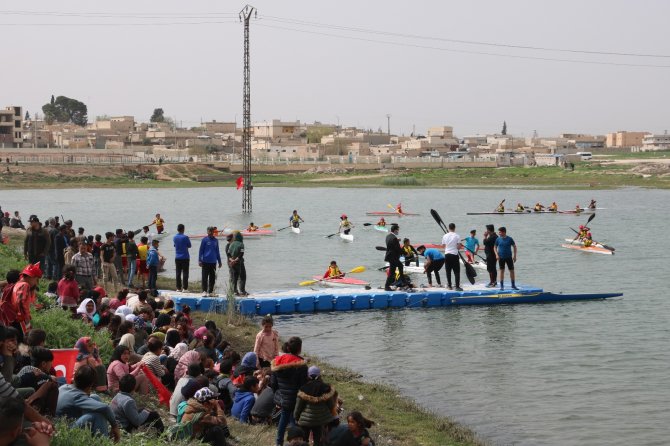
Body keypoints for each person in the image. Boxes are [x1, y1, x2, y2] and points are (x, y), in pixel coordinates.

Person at [56, 365, 121, 441]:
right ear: (90, 385)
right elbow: (105, 408)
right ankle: (103, 441)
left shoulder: (65, 387)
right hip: (65, 429)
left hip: (66, 420)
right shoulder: (77, 397)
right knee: (98, 414)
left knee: (94, 397)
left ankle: (102, 432)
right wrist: (115, 426)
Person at [271, 336, 308, 446]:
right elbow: (303, 385)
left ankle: (279, 442)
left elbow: (273, 383)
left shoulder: (277, 361)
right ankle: (296, 442)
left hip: (283, 397)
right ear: (299, 348)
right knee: (293, 420)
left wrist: (279, 393)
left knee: (284, 418)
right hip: (295, 398)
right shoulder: (301, 364)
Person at [294, 366, 337, 446]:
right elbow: (331, 405)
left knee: (304, 440)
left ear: (308, 376)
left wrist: (296, 417)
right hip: (320, 421)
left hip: (305, 421)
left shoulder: (303, 389)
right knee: (318, 441)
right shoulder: (326, 388)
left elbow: (298, 407)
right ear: (319, 376)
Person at [10, 263, 42, 341]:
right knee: (26, 340)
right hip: (21, 319)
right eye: (36, 280)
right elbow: (20, 302)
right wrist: (26, 318)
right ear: (32, 277)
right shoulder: (25, 285)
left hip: (15, 318)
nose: (36, 283)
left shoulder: (18, 284)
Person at [198, 227, 222, 297]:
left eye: (211, 231)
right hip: (205, 261)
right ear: (207, 232)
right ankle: (204, 291)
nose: (210, 232)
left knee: (212, 278)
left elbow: (217, 251)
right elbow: (201, 251)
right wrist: (199, 260)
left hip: (213, 262)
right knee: (204, 277)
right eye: (209, 231)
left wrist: (219, 261)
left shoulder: (216, 241)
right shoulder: (204, 240)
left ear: (213, 232)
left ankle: (211, 292)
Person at [442, 223, 463, 291]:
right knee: (456, 271)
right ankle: (457, 287)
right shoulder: (457, 236)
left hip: (447, 254)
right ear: (454, 228)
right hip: (454, 255)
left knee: (448, 271)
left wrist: (448, 247)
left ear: (449, 228)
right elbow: (458, 247)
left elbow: (443, 246)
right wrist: (458, 246)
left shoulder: (445, 236)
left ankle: (449, 286)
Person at [383, 224, 403, 291]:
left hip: (390, 256)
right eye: (398, 230)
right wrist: (405, 253)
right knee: (392, 272)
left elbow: (391, 243)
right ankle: (387, 286)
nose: (398, 231)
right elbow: (397, 248)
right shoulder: (394, 238)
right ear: (395, 230)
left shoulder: (388, 236)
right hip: (393, 257)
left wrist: (397, 240)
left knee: (400, 265)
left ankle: (403, 280)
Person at [173, 224, 191, 292]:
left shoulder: (174, 237)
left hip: (177, 257)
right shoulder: (185, 237)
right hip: (185, 257)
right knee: (185, 273)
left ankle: (178, 288)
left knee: (178, 273)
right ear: (183, 229)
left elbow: (175, 245)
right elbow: (189, 245)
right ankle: (185, 288)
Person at [228, 231, 247, 296]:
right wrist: (236, 260)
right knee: (242, 276)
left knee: (234, 277)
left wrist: (232, 260)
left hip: (232, 262)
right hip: (238, 262)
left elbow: (228, 254)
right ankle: (241, 291)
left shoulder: (231, 244)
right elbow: (241, 254)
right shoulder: (242, 244)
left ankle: (234, 291)